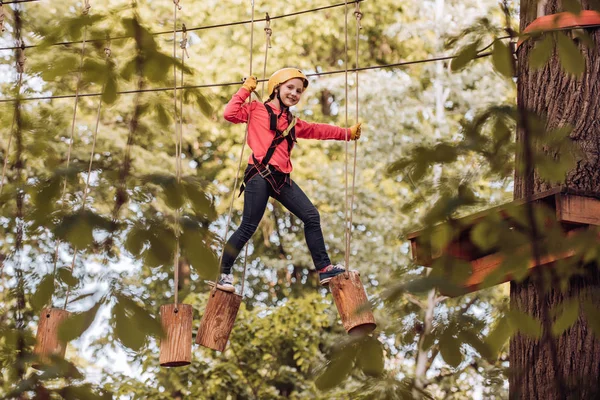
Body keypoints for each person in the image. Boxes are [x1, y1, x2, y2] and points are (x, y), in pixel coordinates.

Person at [216, 67, 362, 292]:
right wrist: (245, 90)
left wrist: (346, 133)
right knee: (248, 226)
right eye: (290, 88)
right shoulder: (256, 109)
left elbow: (318, 130)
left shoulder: (293, 122)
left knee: (311, 216)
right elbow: (229, 113)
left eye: (299, 91)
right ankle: (223, 273)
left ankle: (324, 268)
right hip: (259, 174)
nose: (294, 93)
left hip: (281, 178)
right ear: (276, 88)